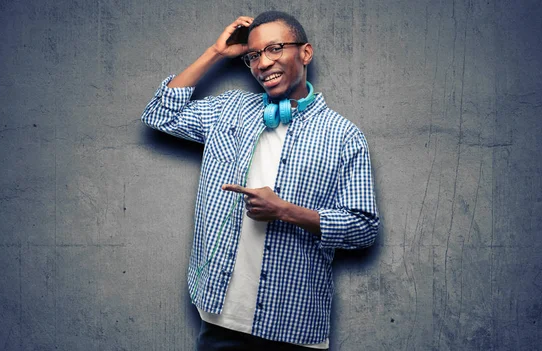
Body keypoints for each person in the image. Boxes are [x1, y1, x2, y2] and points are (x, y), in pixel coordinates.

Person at [141, 11, 379, 350]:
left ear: (305, 53)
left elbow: (364, 227)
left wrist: (285, 211)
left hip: (293, 326)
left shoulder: (344, 136)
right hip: (220, 319)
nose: (262, 63)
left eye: (275, 49)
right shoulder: (230, 109)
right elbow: (160, 113)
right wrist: (217, 53)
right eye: (253, 56)